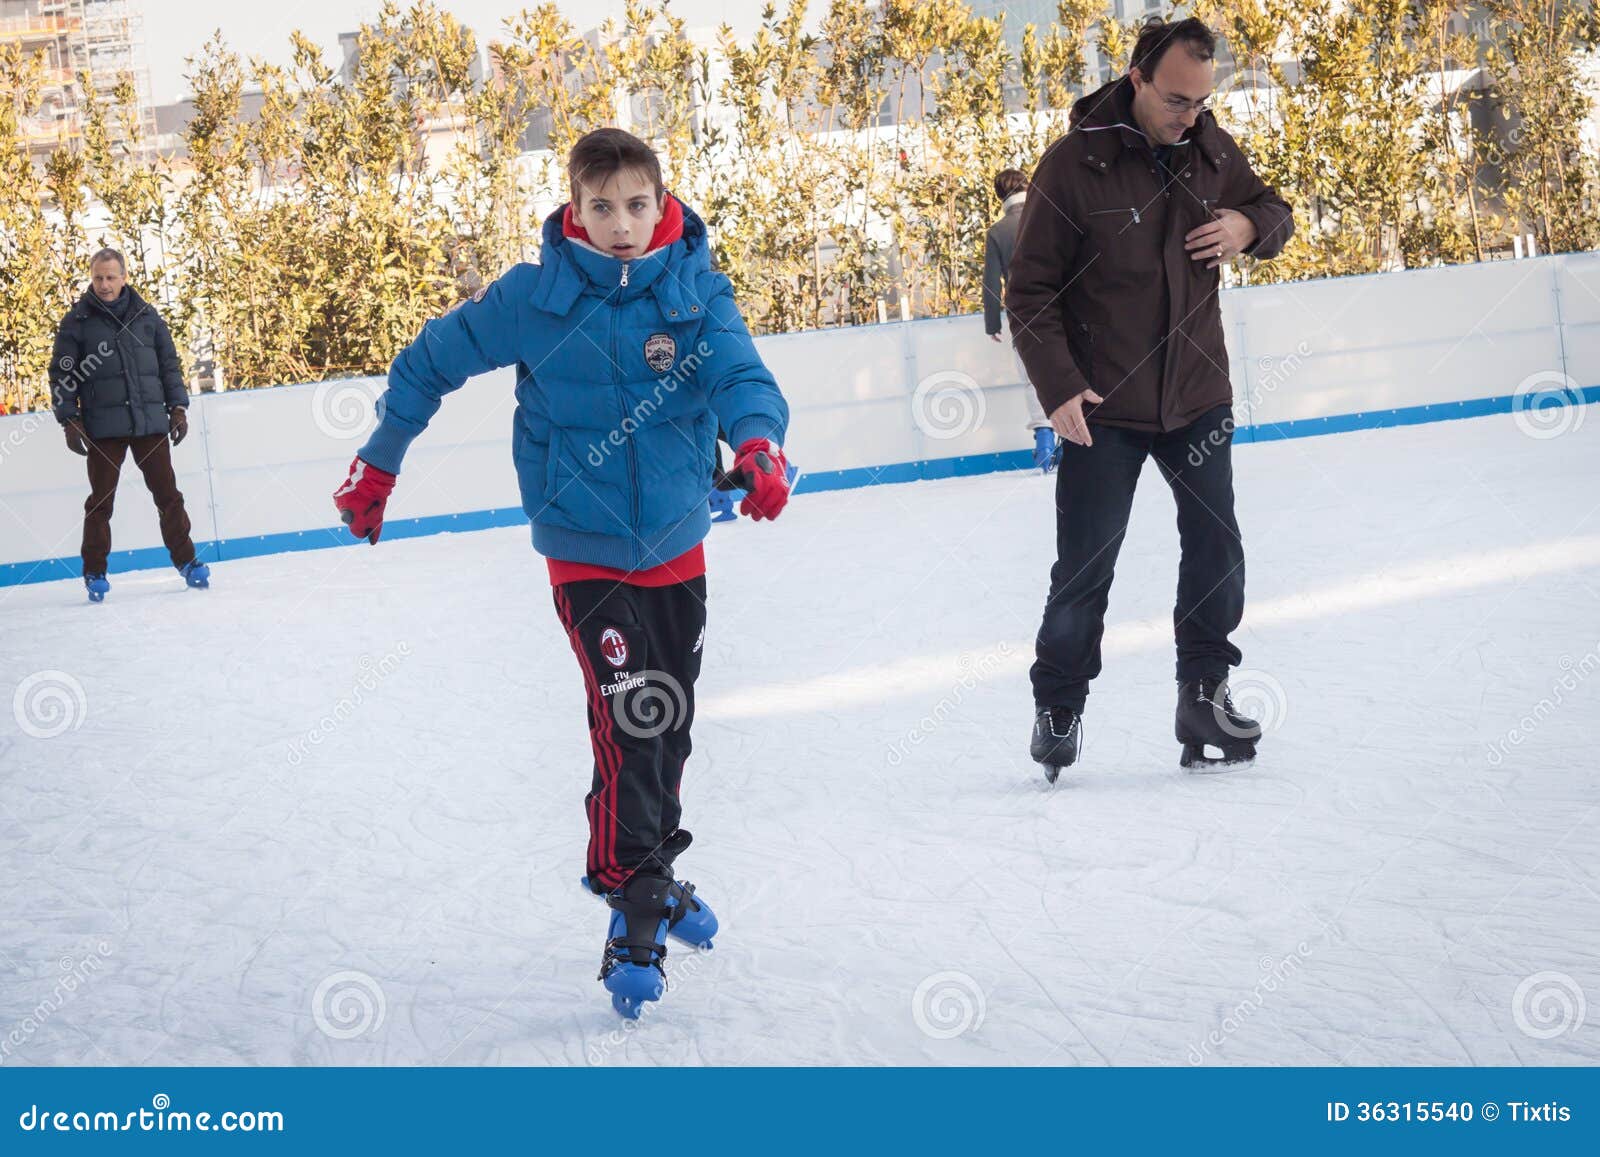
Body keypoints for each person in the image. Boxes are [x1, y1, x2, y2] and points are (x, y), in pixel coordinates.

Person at [332, 127, 790, 1018]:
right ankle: (637, 899)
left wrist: (762, 443)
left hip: (676, 541)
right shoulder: (534, 298)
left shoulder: (696, 291)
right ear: (572, 209)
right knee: (633, 720)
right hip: (583, 549)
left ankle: (648, 873)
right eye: (601, 207)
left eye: (636, 205)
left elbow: (743, 377)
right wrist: (380, 460)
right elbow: (429, 362)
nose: (621, 226)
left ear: (663, 204)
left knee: (669, 724)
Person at [1005, 17, 1294, 777]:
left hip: (1197, 394)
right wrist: (1060, 387)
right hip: (1105, 407)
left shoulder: (1209, 148)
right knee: (1085, 568)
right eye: (1174, 100)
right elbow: (1028, 292)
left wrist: (1244, 224)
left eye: (1200, 101)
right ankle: (1059, 706)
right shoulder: (1073, 166)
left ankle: (1203, 693)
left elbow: (1276, 211)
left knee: (1216, 548)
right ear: (1135, 79)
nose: (1188, 116)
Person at [50, 248, 210, 602]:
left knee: (169, 497)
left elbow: (169, 365)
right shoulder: (77, 322)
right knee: (101, 503)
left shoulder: (147, 317)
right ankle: (94, 572)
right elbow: (62, 374)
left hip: (150, 423)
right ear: (92, 279)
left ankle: (188, 562)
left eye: (111, 277)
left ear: (124, 277)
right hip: (103, 427)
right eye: (98, 278)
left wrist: (178, 408)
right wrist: (69, 419)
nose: (104, 284)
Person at [982, 168, 1056, 471]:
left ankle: (1045, 441)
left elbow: (991, 282)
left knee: (1033, 377)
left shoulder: (998, 232)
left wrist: (992, 323)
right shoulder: (1050, 218)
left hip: (1024, 314)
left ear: (1001, 196)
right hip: (1064, 306)